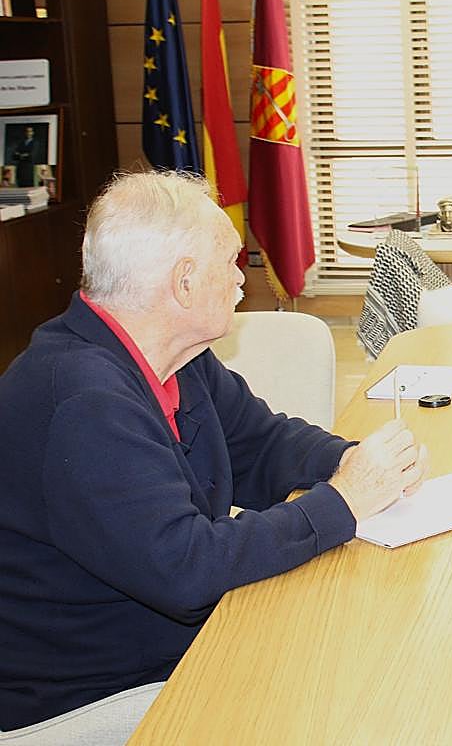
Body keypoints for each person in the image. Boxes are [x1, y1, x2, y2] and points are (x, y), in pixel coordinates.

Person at [0, 171, 428, 733]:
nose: (241, 280)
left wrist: (353, 460)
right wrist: (342, 503)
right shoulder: (83, 401)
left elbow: (261, 444)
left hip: (176, 642)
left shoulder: (174, 356)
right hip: (98, 695)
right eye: (230, 262)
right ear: (183, 283)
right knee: (357, 697)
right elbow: (186, 568)